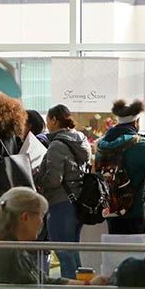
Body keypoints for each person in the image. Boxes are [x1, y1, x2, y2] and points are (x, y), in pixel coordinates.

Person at [0, 187, 105, 286]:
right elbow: (38, 285)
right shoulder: (8, 253)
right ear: (25, 217)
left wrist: (88, 285)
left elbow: (41, 281)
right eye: (40, 215)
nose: (41, 221)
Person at [33, 104, 91, 279]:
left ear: (53, 120)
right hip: (78, 201)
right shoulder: (81, 140)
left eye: (47, 121)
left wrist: (36, 177)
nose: (47, 125)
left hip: (60, 203)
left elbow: (53, 179)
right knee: (73, 251)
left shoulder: (57, 144)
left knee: (64, 253)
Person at [95, 100, 145, 234]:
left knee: (118, 251)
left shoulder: (101, 146)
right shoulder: (140, 145)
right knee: (139, 251)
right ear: (136, 122)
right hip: (138, 210)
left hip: (112, 210)